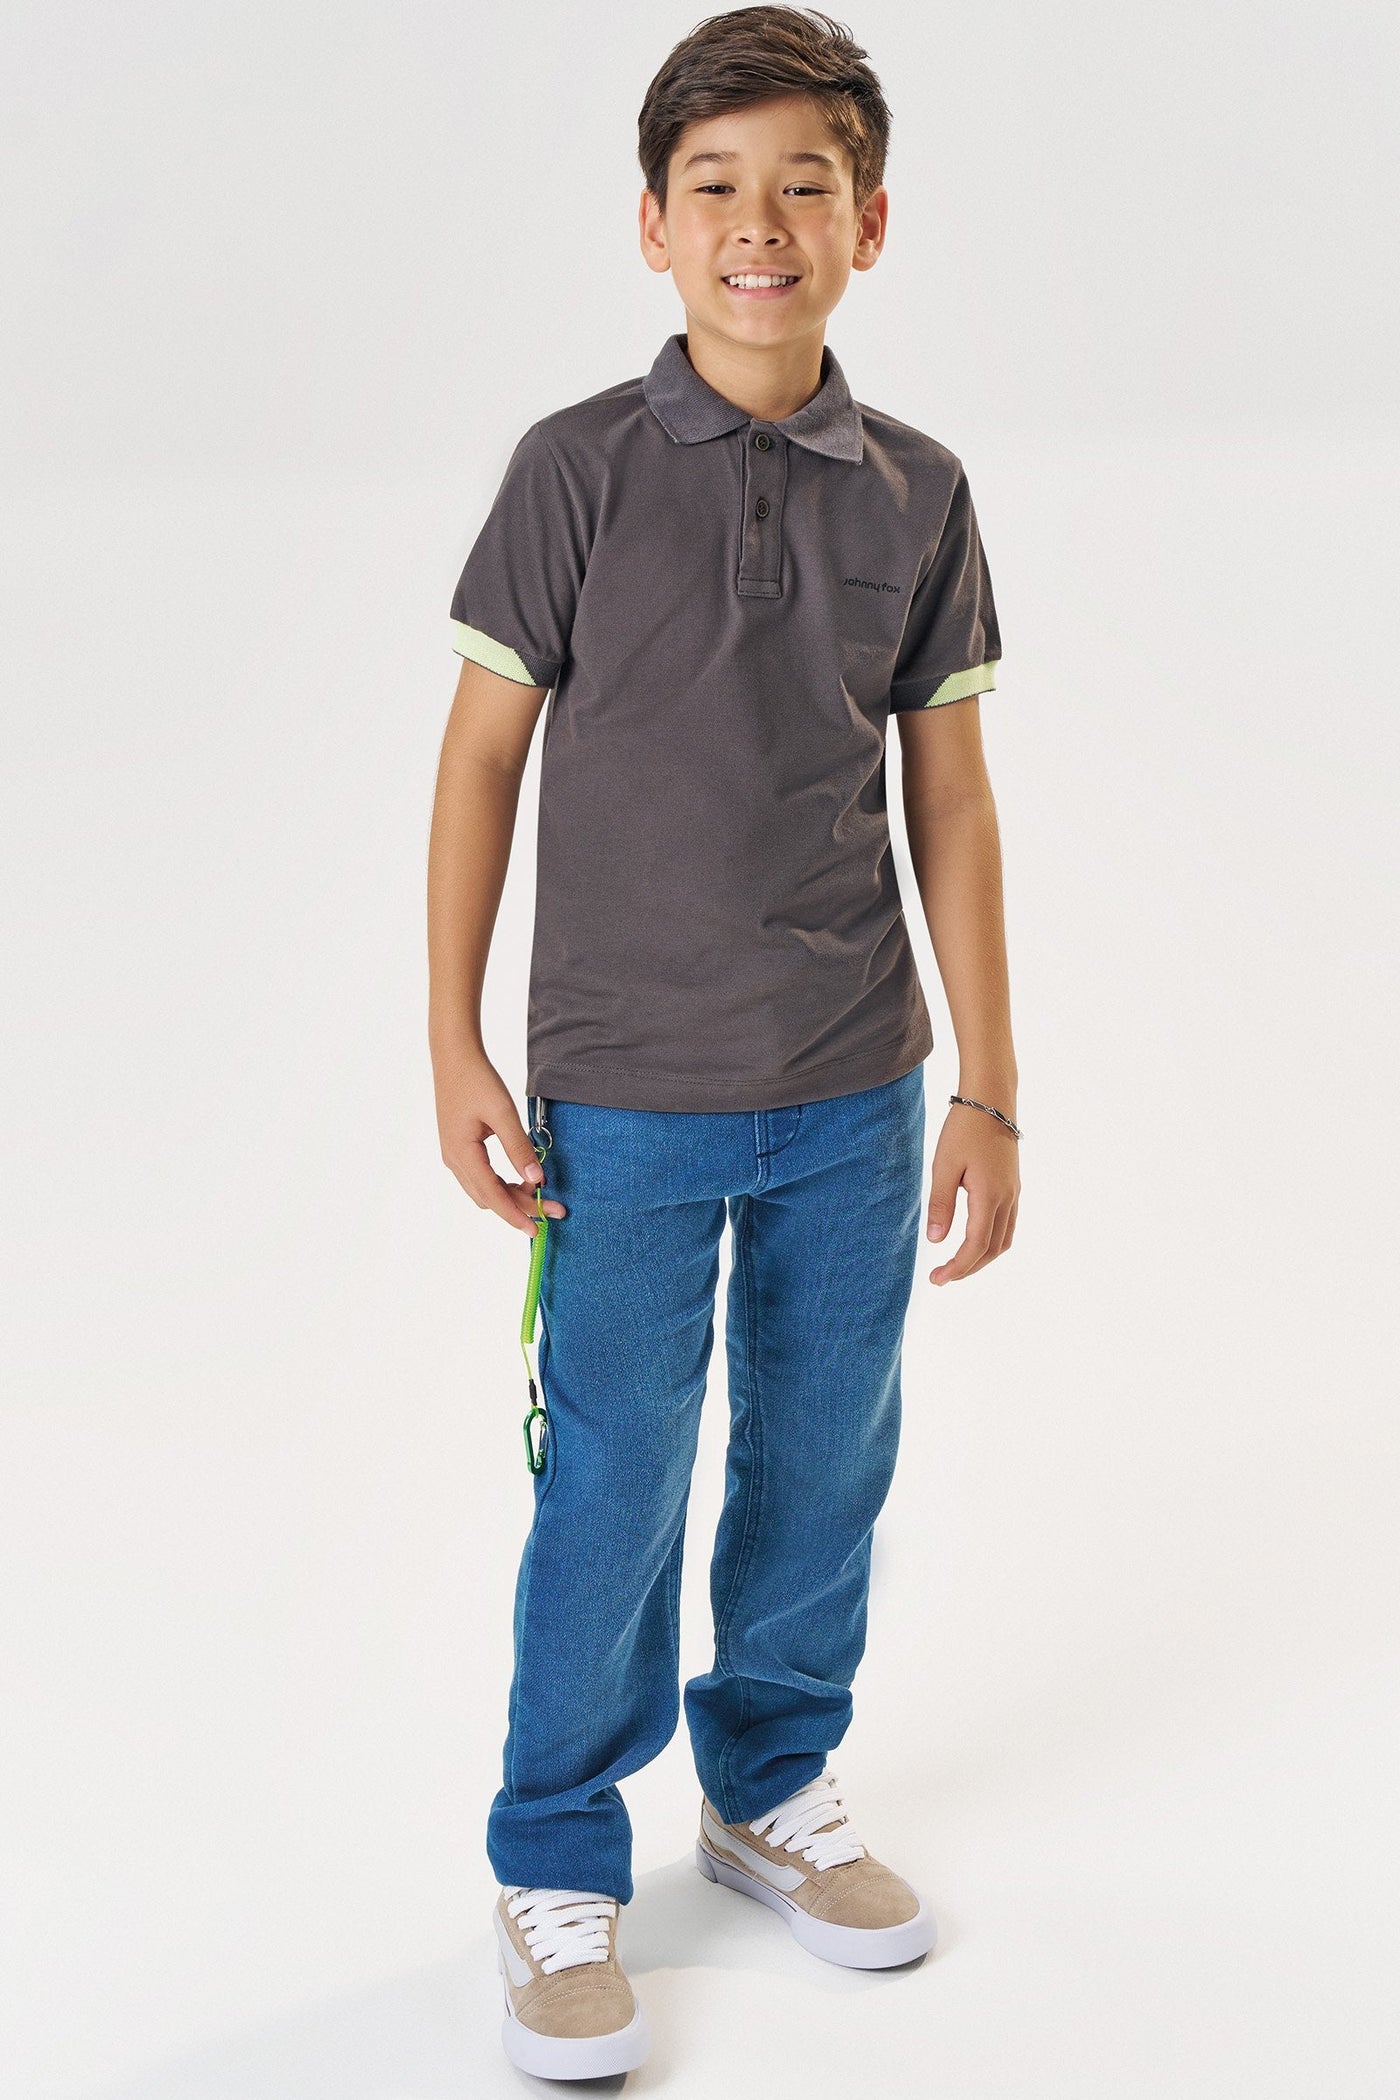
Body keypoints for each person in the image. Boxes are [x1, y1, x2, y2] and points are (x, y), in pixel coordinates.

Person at [426, 5, 1021, 2079]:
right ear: (654, 228)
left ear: (871, 222)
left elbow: (951, 801)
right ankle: (552, 1854)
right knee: (611, 1474)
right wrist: (453, 1043)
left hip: (856, 1087)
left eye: (803, 185)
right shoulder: (573, 471)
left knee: (825, 1454)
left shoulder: (921, 491)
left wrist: (989, 1084)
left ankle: (769, 1785)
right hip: (622, 1097)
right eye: (716, 187)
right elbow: (480, 759)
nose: (760, 223)